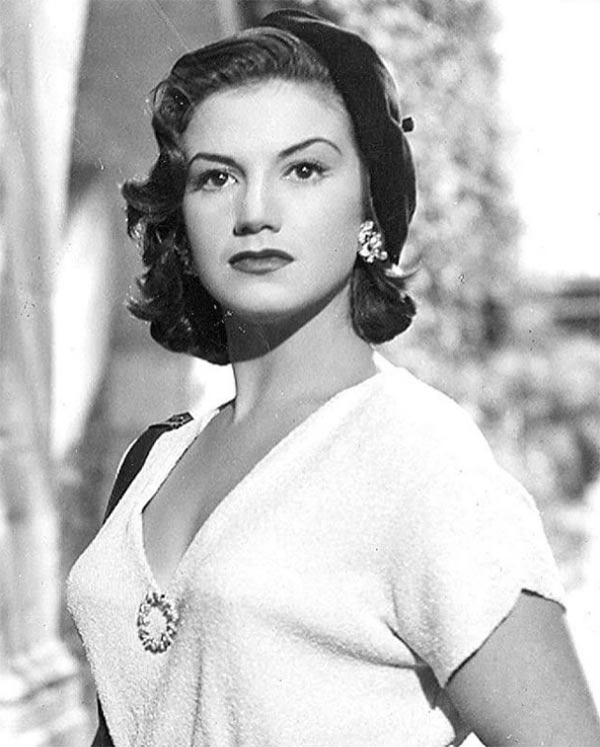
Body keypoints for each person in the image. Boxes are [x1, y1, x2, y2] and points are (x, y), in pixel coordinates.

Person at [67, 9, 600, 747]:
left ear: (368, 209)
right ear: (182, 220)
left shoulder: (419, 462)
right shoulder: (154, 461)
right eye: (217, 176)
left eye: (304, 169)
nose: (255, 212)